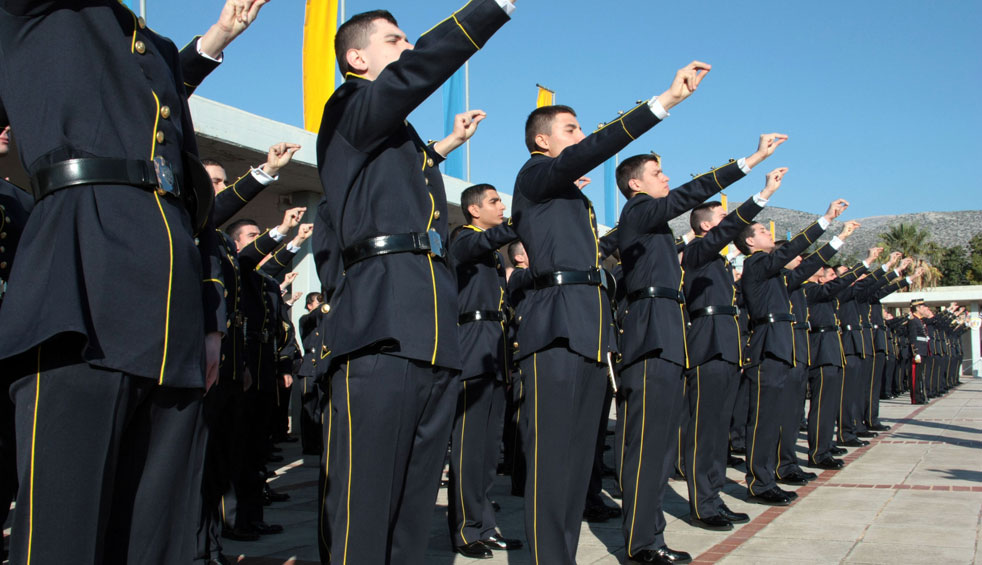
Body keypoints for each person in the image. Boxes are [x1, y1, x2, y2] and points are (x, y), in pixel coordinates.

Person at [0, 1, 268, 562]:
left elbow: (193, 199)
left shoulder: (156, 47)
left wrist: (210, 319)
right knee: (64, 528)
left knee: (157, 531)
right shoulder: (44, 13)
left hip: (171, 304)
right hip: (83, 276)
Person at [312, 3, 515, 563]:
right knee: (365, 499)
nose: (407, 47)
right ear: (357, 58)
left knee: (414, 500)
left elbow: (406, 171)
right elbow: (413, 74)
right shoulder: (349, 106)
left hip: (431, 331)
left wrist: (445, 145)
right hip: (381, 325)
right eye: (395, 40)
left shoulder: (395, 137)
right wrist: (491, 9)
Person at [511, 60, 711, 565]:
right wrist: (664, 102)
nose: (580, 138)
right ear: (542, 142)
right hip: (555, 331)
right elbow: (597, 148)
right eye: (571, 130)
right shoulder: (534, 175)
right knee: (553, 464)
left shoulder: (569, 197)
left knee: (578, 465)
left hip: (588, 331)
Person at [615, 133, 787, 554]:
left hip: (670, 339)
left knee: (659, 450)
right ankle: (642, 541)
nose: (665, 177)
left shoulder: (660, 234)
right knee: (648, 447)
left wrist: (761, 195)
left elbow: (719, 234)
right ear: (636, 184)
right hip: (651, 339)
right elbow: (687, 196)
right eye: (657, 172)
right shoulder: (637, 212)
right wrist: (749, 160)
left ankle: (651, 536)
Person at [680, 162, 786, 531]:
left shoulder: (721, 261)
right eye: (722, 219)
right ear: (707, 227)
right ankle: (702, 504)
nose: (729, 223)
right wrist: (764, 194)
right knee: (704, 430)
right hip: (708, 345)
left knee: (718, 431)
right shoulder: (698, 251)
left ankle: (713, 497)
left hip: (726, 345)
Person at [735, 198, 848, 506]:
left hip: (780, 345)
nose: (768, 233)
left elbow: (808, 265)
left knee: (774, 419)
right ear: (750, 242)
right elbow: (789, 252)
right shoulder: (756, 264)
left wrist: (837, 239)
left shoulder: (775, 275)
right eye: (762, 231)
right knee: (762, 420)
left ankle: (769, 477)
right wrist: (825, 219)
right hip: (767, 346)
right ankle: (759, 483)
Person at [446, 183, 522, 558]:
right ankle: (465, 529)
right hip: (472, 350)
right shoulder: (463, 237)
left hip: (494, 352)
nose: (501, 206)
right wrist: (522, 219)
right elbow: (476, 245)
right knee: (469, 448)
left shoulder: (490, 252)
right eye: (494, 201)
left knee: (489, 451)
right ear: (474, 210)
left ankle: (484, 525)